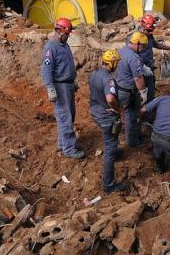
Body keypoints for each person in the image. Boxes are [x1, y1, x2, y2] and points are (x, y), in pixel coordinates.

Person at [40, 17, 84, 159]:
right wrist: (50, 88)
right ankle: (69, 149)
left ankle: (62, 144)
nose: (68, 36)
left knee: (69, 116)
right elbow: (46, 69)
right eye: (66, 33)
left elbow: (67, 65)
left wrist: (73, 81)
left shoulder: (65, 46)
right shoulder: (50, 47)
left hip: (68, 85)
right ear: (59, 31)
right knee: (65, 117)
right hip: (60, 87)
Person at [88, 49, 128, 193]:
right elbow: (110, 98)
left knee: (111, 140)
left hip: (96, 112)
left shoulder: (94, 74)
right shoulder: (108, 79)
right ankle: (109, 185)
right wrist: (117, 109)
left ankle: (114, 150)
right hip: (106, 117)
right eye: (116, 64)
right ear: (112, 64)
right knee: (110, 147)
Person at [127, 14, 170, 100]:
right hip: (139, 69)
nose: (149, 33)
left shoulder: (149, 34)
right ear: (143, 26)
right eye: (148, 31)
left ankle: (149, 108)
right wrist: (142, 66)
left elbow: (155, 44)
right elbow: (130, 53)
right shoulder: (134, 37)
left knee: (150, 91)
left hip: (149, 67)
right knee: (139, 92)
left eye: (151, 31)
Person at [115, 32, 148, 147]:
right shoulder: (134, 58)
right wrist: (143, 92)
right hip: (129, 91)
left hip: (119, 87)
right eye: (143, 46)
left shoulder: (121, 51)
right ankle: (133, 141)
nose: (143, 49)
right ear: (137, 43)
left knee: (128, 113)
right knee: (132, 115)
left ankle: (135, 134)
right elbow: (138, 78)